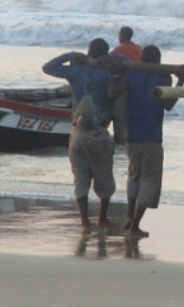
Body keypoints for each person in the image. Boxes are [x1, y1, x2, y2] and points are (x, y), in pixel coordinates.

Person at [42, 38, 120, 234]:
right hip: (100, 132)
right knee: (104, 176)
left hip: (78, 132)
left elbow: (48, 67)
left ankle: (85, 223)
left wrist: (70, 55)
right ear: (105, 53)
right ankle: (102, 218)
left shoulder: (76, 72)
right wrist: (110, 58)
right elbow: (126, 61)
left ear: (88, 51)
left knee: (81, 178)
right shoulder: (108, 71)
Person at [109, 45, 184, 238]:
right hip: (151, 136)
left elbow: (113, 93)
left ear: (141, 59)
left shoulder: (131, 74)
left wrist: (117, 75)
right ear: (158, 61)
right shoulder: (163, 77)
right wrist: (181, 80)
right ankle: (134, 225)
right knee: (149, 180)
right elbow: (168, 105)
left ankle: (129, 217)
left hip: (132, 135)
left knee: (134, 176)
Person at [111, 26, 143, 144]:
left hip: (122, 86)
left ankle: (121, 140)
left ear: (122, 36)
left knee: (120, 116)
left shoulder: (117, 51)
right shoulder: (139, 49)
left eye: (119, 35)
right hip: (138, 85)